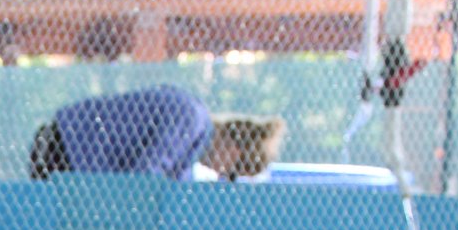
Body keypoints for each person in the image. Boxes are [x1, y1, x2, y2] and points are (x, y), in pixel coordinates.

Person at [29, 85, 286, 182]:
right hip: (67, 150)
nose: (219, 174)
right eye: (230, 172)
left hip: (67, 150)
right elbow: (145, 176)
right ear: (234, 152)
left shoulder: (192, 138)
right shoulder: (191, 120)